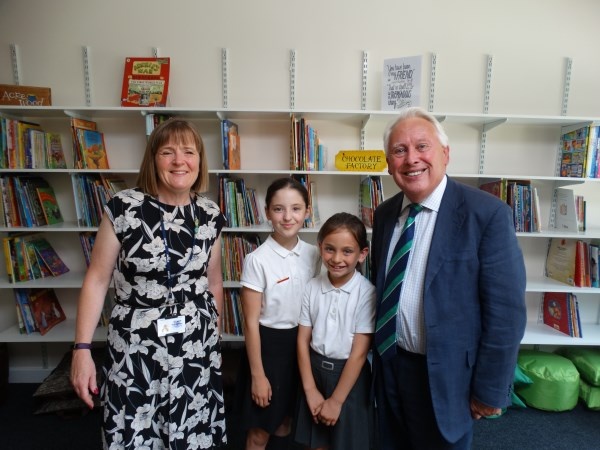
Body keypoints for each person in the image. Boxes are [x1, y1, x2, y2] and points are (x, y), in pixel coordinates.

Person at [370, 107, 527, 449]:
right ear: (389, 163)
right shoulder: (384, 214)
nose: (411, 159)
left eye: (422, 146)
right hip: (390, 366)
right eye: (399, 150)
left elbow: (506, 314)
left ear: (445, 153)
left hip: (450, 377)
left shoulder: (487, 214)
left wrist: (490, 390)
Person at [70, 119, 227, 448]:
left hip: (194, 347)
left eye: (189, 152)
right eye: (168, 152)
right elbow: (97, 279)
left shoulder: (210, 214)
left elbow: (213, 281)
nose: (179, 161)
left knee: (190, 431)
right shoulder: (124, 208)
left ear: (200, 160)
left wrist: (215, 336)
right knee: (134, 432)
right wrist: (81, 350)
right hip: (135, 347)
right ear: (153, 159)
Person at [238, 177, 321, 450]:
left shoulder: (314, 254)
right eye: (278, 209)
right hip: (268, 350)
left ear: (307, 211)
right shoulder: (257, 260)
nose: (287, 217)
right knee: (260, 430)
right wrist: (258, 375)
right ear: (267, 212)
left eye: (296, 209)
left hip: (304, 345)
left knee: (286, 422)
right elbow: (250, 323)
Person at [294, 212, 375, 450]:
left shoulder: (367, 293)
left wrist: (337, 401)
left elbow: (359, 353)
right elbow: (302, 341)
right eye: (330, 249)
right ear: (320, 247)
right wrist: (310, 389)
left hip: (349, 378)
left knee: (347, 444)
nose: (337, 258)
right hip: (314, 372)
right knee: (315, 443)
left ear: (362, 254)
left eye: (347, 251)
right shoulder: (312, 287)